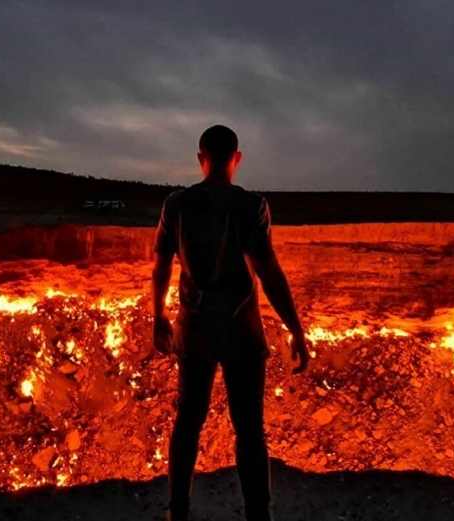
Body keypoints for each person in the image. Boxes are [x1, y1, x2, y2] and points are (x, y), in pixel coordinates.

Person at [152, 125, 310, 521]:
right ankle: (259, 514)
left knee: (188, 420)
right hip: (241, 329)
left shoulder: (177, 204)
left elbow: (161, 265)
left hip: (194, 328)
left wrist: (159, 317)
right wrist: (295, 327)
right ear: (237, 158)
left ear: (200, 158)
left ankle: (179, 510)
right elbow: (268, 271)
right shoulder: (251, 205)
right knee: (250, 430)